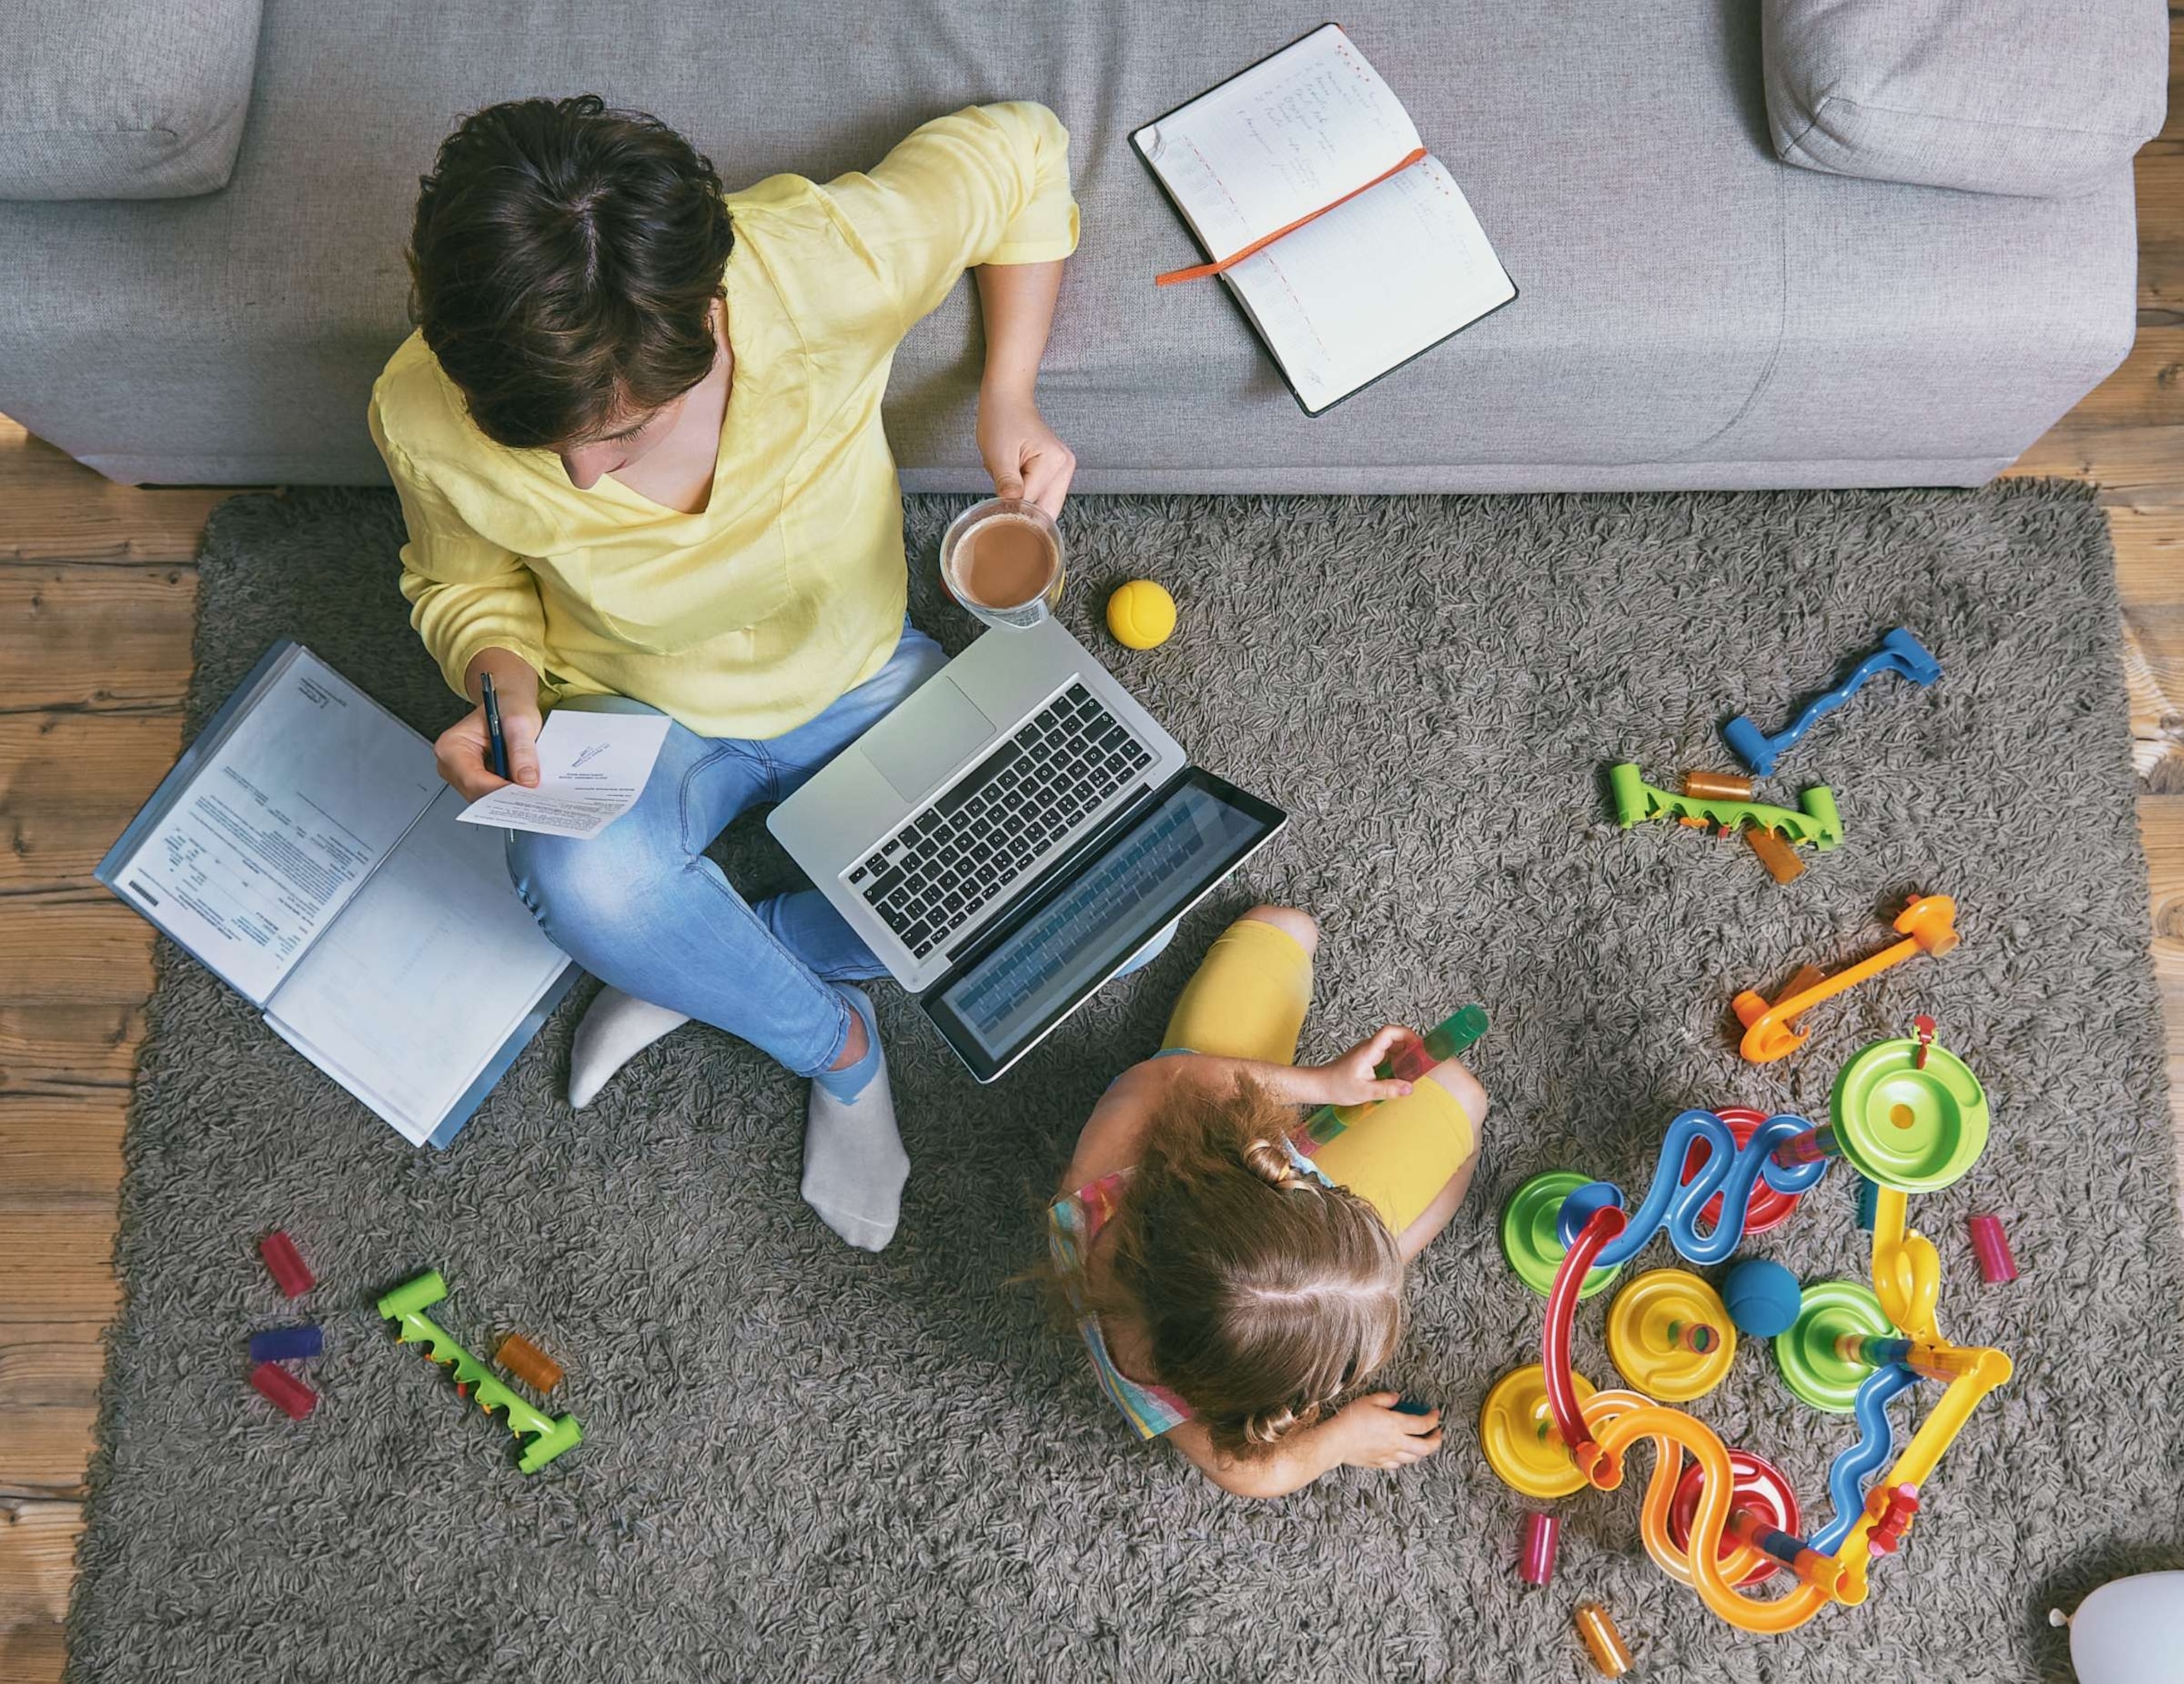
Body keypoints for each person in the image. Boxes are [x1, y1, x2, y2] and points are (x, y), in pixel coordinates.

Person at [369, 94, 1080, 1250]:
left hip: (859, 669)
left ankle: (714, 958)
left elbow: (1023, 149)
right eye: (545, 448)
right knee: (581, 879)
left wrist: (1011, 391)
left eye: (626, 433)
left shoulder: (822, 268)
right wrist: (501, 689)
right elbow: (465, 585)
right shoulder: (418, 406)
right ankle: (833, 1044)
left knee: (1088, 873)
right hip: (636, 708)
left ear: (711, 316)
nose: (587, 483)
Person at [1049, 906, 1488, 1497]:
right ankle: (1394, 1248)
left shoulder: (1106, 1162)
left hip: (1200, 1108)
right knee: (1461, 1098)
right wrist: (1342, 1439)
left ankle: (1377, 1254)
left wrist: (1323, 1084)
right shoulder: (1183, 1400)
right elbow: (1261, 1475)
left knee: (1287, 926)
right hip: (1226, 1152)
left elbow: (1176, 1078)